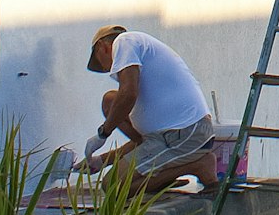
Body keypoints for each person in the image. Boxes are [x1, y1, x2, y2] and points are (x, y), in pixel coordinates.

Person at [86, 23, 230, 195]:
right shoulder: (141, 49)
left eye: (102, 64)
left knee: (113, 187)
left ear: (102, 47)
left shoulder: (124, 42)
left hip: (184, 134)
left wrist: (103, 133)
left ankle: (198, 165)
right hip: (170, 136)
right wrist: (100, 161)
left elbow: (128, 94)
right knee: (110, 100)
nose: (107, 69)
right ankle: (166, 173)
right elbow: (145, 142)